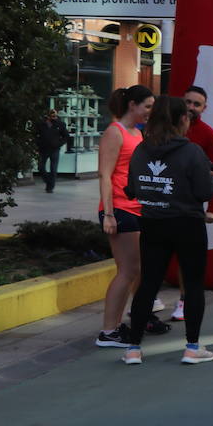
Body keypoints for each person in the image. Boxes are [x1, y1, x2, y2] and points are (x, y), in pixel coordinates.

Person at [120, 96, 213, 366]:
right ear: (181, 120)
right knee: (194, 284)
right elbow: (205, 191)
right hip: (187, 224)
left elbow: (132, 188)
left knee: (149, 283)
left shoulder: (141, 150)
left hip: (152, 223)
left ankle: (133, 349)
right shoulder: (192, 152)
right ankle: (192, 347)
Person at [95, 85, 155, 347]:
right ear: (133, 105)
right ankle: (108, 331)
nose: (149, 112)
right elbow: (104, 175)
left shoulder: (137, 133)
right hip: (119, 210)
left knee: (137, 270)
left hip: (135, 208)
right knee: (128, 271)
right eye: (147, 106)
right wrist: (109, 214)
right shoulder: (114, 132)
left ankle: (123, 323)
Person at [168, 85, 213, 323]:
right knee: (154, 255)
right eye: (188, 102)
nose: (191, 107)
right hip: (161, 205)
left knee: (185, 257)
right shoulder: (166, 131)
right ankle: (149, 298)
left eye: (196, 104)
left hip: (190, 208)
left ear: (204, 108)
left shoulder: (208, 135)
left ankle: (183, 300)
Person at [36, 109, 71, 193]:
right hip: (43, 149)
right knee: (41, 167)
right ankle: (48, 181)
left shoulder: (60, 124)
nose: (54, 118)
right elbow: (36, 134)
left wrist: (59, 144)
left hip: (55, 149)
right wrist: (38, 143)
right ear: (48, 116)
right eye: (52, 116)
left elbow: (66, 136)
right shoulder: (41, 124)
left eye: (55, 116)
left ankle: (50, 187)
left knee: (53, 168)